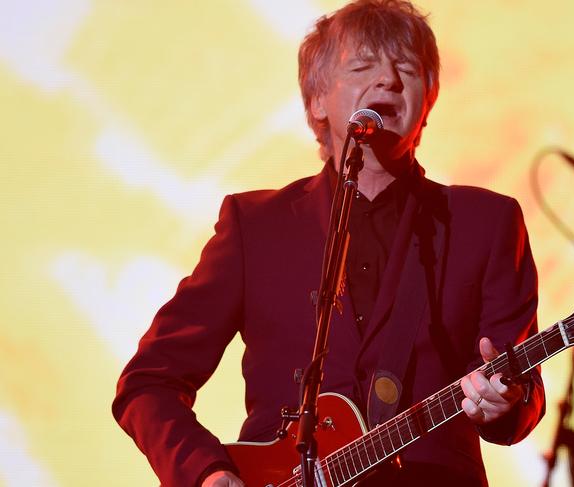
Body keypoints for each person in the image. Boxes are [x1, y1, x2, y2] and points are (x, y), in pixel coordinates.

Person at [112, 1, 545, 486]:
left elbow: (520, 389)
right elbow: (147, 382)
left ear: (430, 97)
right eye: (363, 66)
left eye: (407, 68)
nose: (388, 80)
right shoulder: (255, 226)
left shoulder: (486, 223)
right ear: (317, 100)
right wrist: (207, 472)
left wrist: (505, 402)